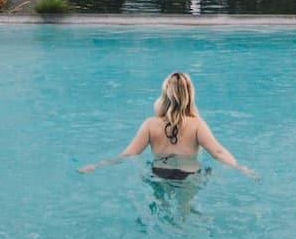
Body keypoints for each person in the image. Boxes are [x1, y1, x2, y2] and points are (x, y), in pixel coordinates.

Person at [80, 71, 256, 179]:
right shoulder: (197, 124)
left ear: (164, 95)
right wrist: (241, 168)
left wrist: (98, 165)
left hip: (158, 172)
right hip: (189, 175)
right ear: (189, 95)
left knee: (160, 209)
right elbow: (218, 152)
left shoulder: (150, 124)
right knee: (184, 214)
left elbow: (129, 154)